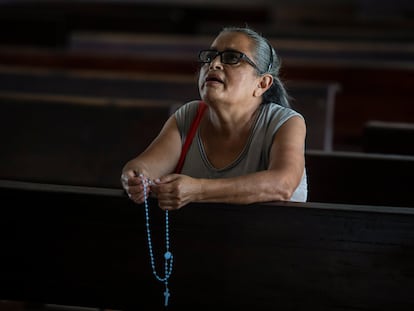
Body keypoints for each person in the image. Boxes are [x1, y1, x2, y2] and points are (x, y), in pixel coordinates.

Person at [121, 26, 307, 210]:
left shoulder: (286, 122)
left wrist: (198, 190)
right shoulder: (189, 115)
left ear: (262, 83)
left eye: (232, 58)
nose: (214, 64)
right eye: (210, 57)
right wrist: (135, 178)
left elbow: (283, 184)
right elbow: (145, 167)